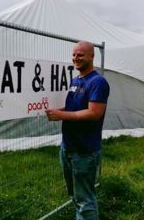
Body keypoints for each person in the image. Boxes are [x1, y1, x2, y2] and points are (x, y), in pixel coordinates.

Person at [45, 41, 110, 220]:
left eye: (80, 54)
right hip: (68, 147)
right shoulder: (74, 81)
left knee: (85, 200)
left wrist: (62, 115)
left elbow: (94, 113)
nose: (76, 58)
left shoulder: (98, 82)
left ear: (91, 56)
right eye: (74, 54)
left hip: (84, 151)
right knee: (76, 195)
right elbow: (73, 108)